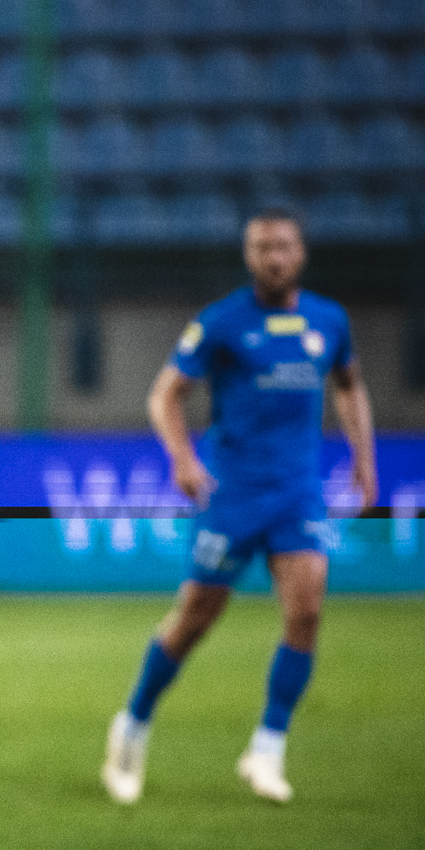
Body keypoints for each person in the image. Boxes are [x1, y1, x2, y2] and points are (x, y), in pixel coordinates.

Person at [101, 208, 378, 806]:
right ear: (249, 256)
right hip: (232, 496)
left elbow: (350, 385)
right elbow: (165, 394)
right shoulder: (221, 322)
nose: (274, 257)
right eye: (262, 247)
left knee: (306, 612)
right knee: (195, 619)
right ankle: (133, 723)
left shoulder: (329, 320)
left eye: (283, 246)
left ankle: (268, 748)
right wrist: (181, 458)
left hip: (297, 494)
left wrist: (364, 457)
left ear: (301, 252)